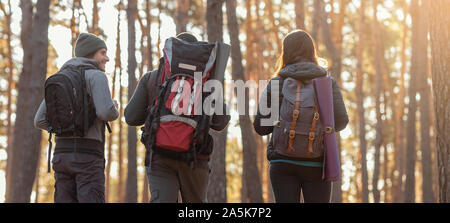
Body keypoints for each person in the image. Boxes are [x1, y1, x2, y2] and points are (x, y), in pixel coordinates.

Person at [125, 32, 230, 203]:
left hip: (160, 155)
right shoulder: (207, 82)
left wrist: (157, 112)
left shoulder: (152, 78)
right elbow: (220, 122)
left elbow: (130, 117)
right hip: (196, 157)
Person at [253, 30, 349, 203]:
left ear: (286, 52)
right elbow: (341, 121)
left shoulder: (277, 83)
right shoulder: (327, 82)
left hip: (282, 163)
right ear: (312, 51)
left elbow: (261, 127)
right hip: (317, 163)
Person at [34, 33, 119, 203]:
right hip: (88, 157)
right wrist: (114, 108)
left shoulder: (61, 77)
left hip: (61, 156)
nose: (107, 58)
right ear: (91, 53)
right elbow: (105, 113)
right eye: (103, 53)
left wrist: (62, 129)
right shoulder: (97, 76)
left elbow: (39, 120)